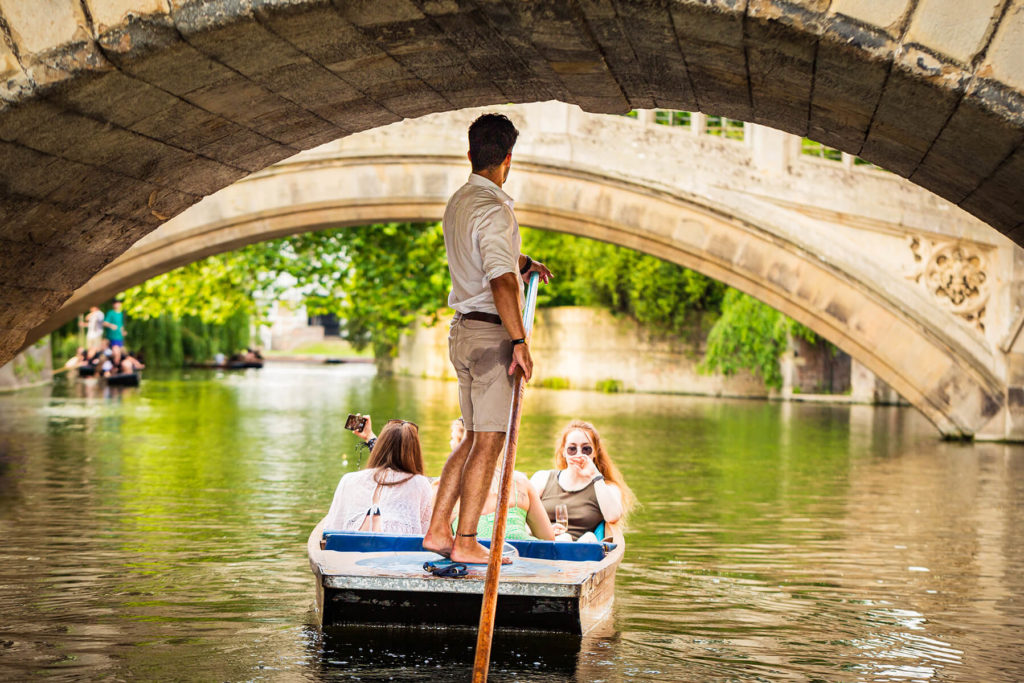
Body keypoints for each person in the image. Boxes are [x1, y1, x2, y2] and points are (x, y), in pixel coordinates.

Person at [423, 113, 552, 565]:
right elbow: (497, 280)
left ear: (471, 155)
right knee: (489, 441)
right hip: (490, 336)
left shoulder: (459, 202)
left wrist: (525, 262)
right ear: (508, 160)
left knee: (471, 438)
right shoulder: (497, 209)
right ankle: (466, 540)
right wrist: (519, 341)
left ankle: (439, 531)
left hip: (461, 332)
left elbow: (490, 259)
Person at [322, 415, 433, 537]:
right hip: (396, 553)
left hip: (352, 551)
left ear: (380, 447)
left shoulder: (348, 480)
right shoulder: (420, 484)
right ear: (414, 452)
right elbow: (426, 536)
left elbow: (331, 530)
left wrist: (370, 437)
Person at [530, 420, 636, 542]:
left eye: (586, 449)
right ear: (563, 452)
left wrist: (594, 475)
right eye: (572, 449)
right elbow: (519, 518)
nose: (579, 454)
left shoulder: (605, 486)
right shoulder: (542, 478)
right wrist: (544, 530)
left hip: (582, 552)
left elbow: (613, 516)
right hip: (543, 546)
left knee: (586, 538)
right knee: (564, 538)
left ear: (595, 452)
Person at [452, 466, 558, 541]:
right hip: (521, 556)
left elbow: (440, 542)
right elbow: (548, 539)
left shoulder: (448, 487)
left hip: (471, 561)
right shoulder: (519, 482)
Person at [103, 300, 126, 364]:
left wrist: (123, 332)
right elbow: (104, 323)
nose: (117, 305)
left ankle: (114, 367)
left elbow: (121, 326)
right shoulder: (110, 313)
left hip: (119, 338)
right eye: (115, 303)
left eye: (118, 303)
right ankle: (114, 366)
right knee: (116, 353)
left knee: (119, 354)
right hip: (112, 337)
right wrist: (111, 325)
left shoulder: (121, 314)